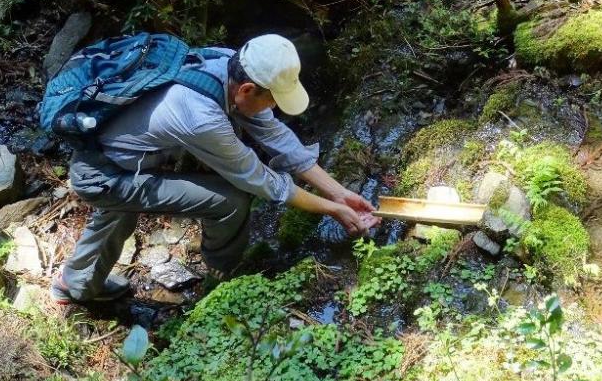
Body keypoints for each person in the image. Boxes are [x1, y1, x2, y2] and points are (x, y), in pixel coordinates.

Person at [52, 33, 380, 304]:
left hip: (113, 157)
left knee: (118, 216)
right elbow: (263, 182)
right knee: (232, 200)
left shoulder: (227, 61)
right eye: (274, 101)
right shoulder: (200, 116)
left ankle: (76, 285)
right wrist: (333, 210)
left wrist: (339, 193)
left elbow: (278, 137)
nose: (276, 109)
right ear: (248, 89)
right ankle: (224, 276)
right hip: (105, 175)